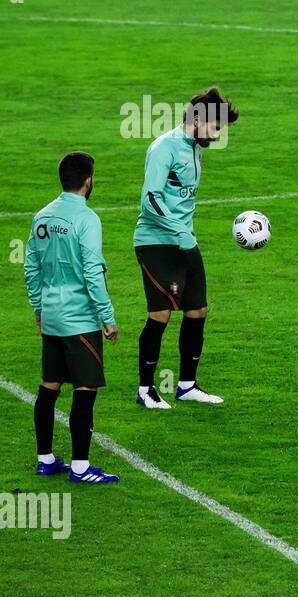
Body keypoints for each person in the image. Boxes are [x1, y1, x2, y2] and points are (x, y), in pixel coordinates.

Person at [133, 86, 238, 408]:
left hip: (184, 241)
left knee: (197, 310)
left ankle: (187, 385)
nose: (218, 133)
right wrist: (178, 231)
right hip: (156, 242)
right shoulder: (165, 147)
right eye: (216, 126)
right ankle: (146, 390)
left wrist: (185, 235)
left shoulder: (195, 147)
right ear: (197, 118)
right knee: (160, 314)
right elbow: (150, 198)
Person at [25, 152, 121, 483]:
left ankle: (46, 459)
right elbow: (93, 272)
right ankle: (80, 467)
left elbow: (31, 269)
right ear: (88, 181)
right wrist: (107, 317)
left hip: (52, 316)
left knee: (49, 387)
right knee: (85, 388)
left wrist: (39, 310)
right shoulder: (87, 219)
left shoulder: (41, 217)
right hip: (80, 320)